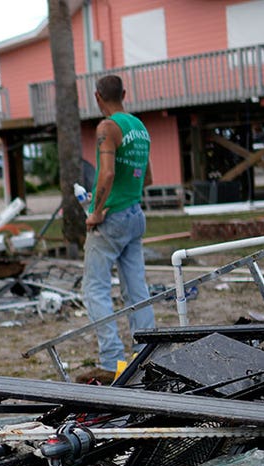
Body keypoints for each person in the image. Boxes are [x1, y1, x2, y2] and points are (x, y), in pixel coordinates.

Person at [77, 75, 155, 385]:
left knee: (95, 287)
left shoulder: (107, 128)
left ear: (97, 97)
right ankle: (146, 353)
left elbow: (107, 174)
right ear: (123, 93)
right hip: (136, 214)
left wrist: (95, 212)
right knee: (136, 287)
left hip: (112, 217)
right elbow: (147, 178)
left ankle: (111, 360)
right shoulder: (140, 128)